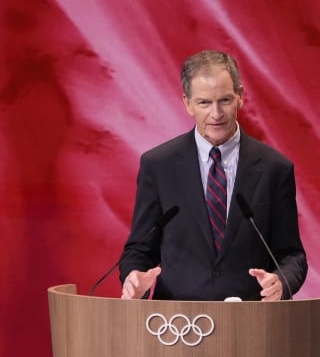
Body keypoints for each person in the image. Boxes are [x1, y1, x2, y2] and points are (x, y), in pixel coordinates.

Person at [119, 50, 307, 301]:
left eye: (225, 100)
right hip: (177, 324)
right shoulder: (158, 166)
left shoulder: (275, 168)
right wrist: (134, 277)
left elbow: (291, 255)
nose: (216, 114)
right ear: (187, 103)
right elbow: (140, 249)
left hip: (251, 324)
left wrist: (280, 283)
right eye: (204, 103)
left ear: (240, 96)